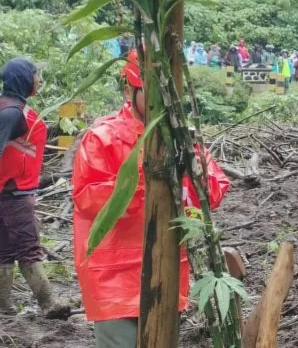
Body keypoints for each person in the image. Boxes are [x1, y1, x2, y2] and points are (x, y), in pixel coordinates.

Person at [72, 51, 230, 348]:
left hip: (167, 266)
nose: (160, 101)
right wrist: (146, 184)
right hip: (114, 274)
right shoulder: (103, 137)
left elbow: (213, 188)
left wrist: (186, 174)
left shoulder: (180, 139)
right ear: (129, 91)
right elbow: (88, 199)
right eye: (150, 90)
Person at [0, 59, 70, 318]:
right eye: (35, 75)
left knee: (4, 250)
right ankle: (49, 303)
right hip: (14, 195)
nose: (38, 80)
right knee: (28, 248)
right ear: (24, 79)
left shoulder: (9, 107)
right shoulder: (12, 113)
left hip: (8, 192)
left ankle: (4, 307)